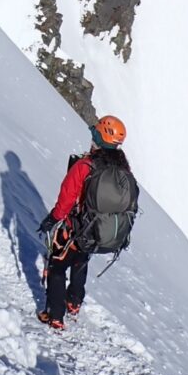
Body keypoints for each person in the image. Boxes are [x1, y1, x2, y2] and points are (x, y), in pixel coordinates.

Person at [36, 114, 133, 329]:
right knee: (80, 261)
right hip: (98, 230)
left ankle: (54, 315)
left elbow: (66, 199)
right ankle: (74, 303)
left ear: (100, 137)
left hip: (76, 228)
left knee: (57, 266)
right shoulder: (122, 169)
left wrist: (53, 219)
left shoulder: (85, 166)